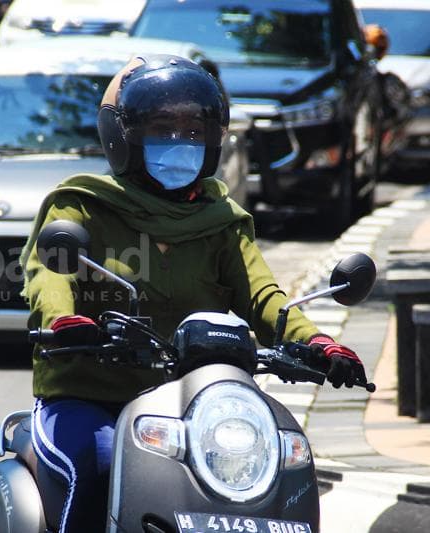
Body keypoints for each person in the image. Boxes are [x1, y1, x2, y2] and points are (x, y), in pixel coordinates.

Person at [19, 55, 369, 532]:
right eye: (162, 127)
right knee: (93, 464)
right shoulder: (82, 205)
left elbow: (265, 297)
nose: (179, 142)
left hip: (193, 400)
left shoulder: (221, 220)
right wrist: (63, 321)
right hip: (89, 393)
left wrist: (318, 342)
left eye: (193, 130)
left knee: (272, 466)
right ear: (123, 135)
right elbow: (50, 274)